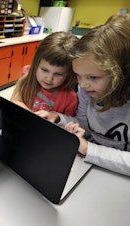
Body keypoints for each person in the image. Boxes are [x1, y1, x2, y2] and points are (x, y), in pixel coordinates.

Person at [37, 14, 130, 176]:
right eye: (78, 75)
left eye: (93, 77)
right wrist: (58, 118)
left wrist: (88, 148)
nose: (82, 84)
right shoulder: (86, 89)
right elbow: (83, 125)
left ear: (122, 74)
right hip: (88, 165)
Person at [10, 32, 79, 115]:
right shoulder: (26, 75)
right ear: (36, 64)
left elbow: (66, 123)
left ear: (69, 74)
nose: (49, 79)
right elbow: (15, 100)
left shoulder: (70, 99)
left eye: (58, 74)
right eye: (44, 70)